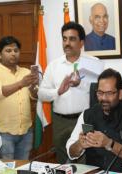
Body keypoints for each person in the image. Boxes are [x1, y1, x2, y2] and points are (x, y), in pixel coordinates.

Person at [38, 21, 103, 164]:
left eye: (72, 39)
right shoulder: (54, 66)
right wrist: (58, 91)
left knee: (85, 159)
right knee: (62, 159)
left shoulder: (94, 63)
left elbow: (102, 93)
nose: (67, 43)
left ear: (81, 43)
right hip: (60, 121)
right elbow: (41, 94)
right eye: (64, 38)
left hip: (84, 120)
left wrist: (81, 84)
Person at [66, 68, 122, 174]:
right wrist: (79, 144)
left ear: (121, 94)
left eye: (109, 93)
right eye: (100, 93)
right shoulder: (87, 115)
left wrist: (108, 143)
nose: (104, 98)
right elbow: (71, 152)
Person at [0, 36, 38, 160]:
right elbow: (0, 92)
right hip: (4, 133)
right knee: (7, 172)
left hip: (26, 131)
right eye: (8, 51)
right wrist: (21, 83)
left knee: (23, 168)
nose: (13, 54)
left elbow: (34, 97)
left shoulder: (26, 72)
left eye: (16, 50)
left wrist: (34, 88)